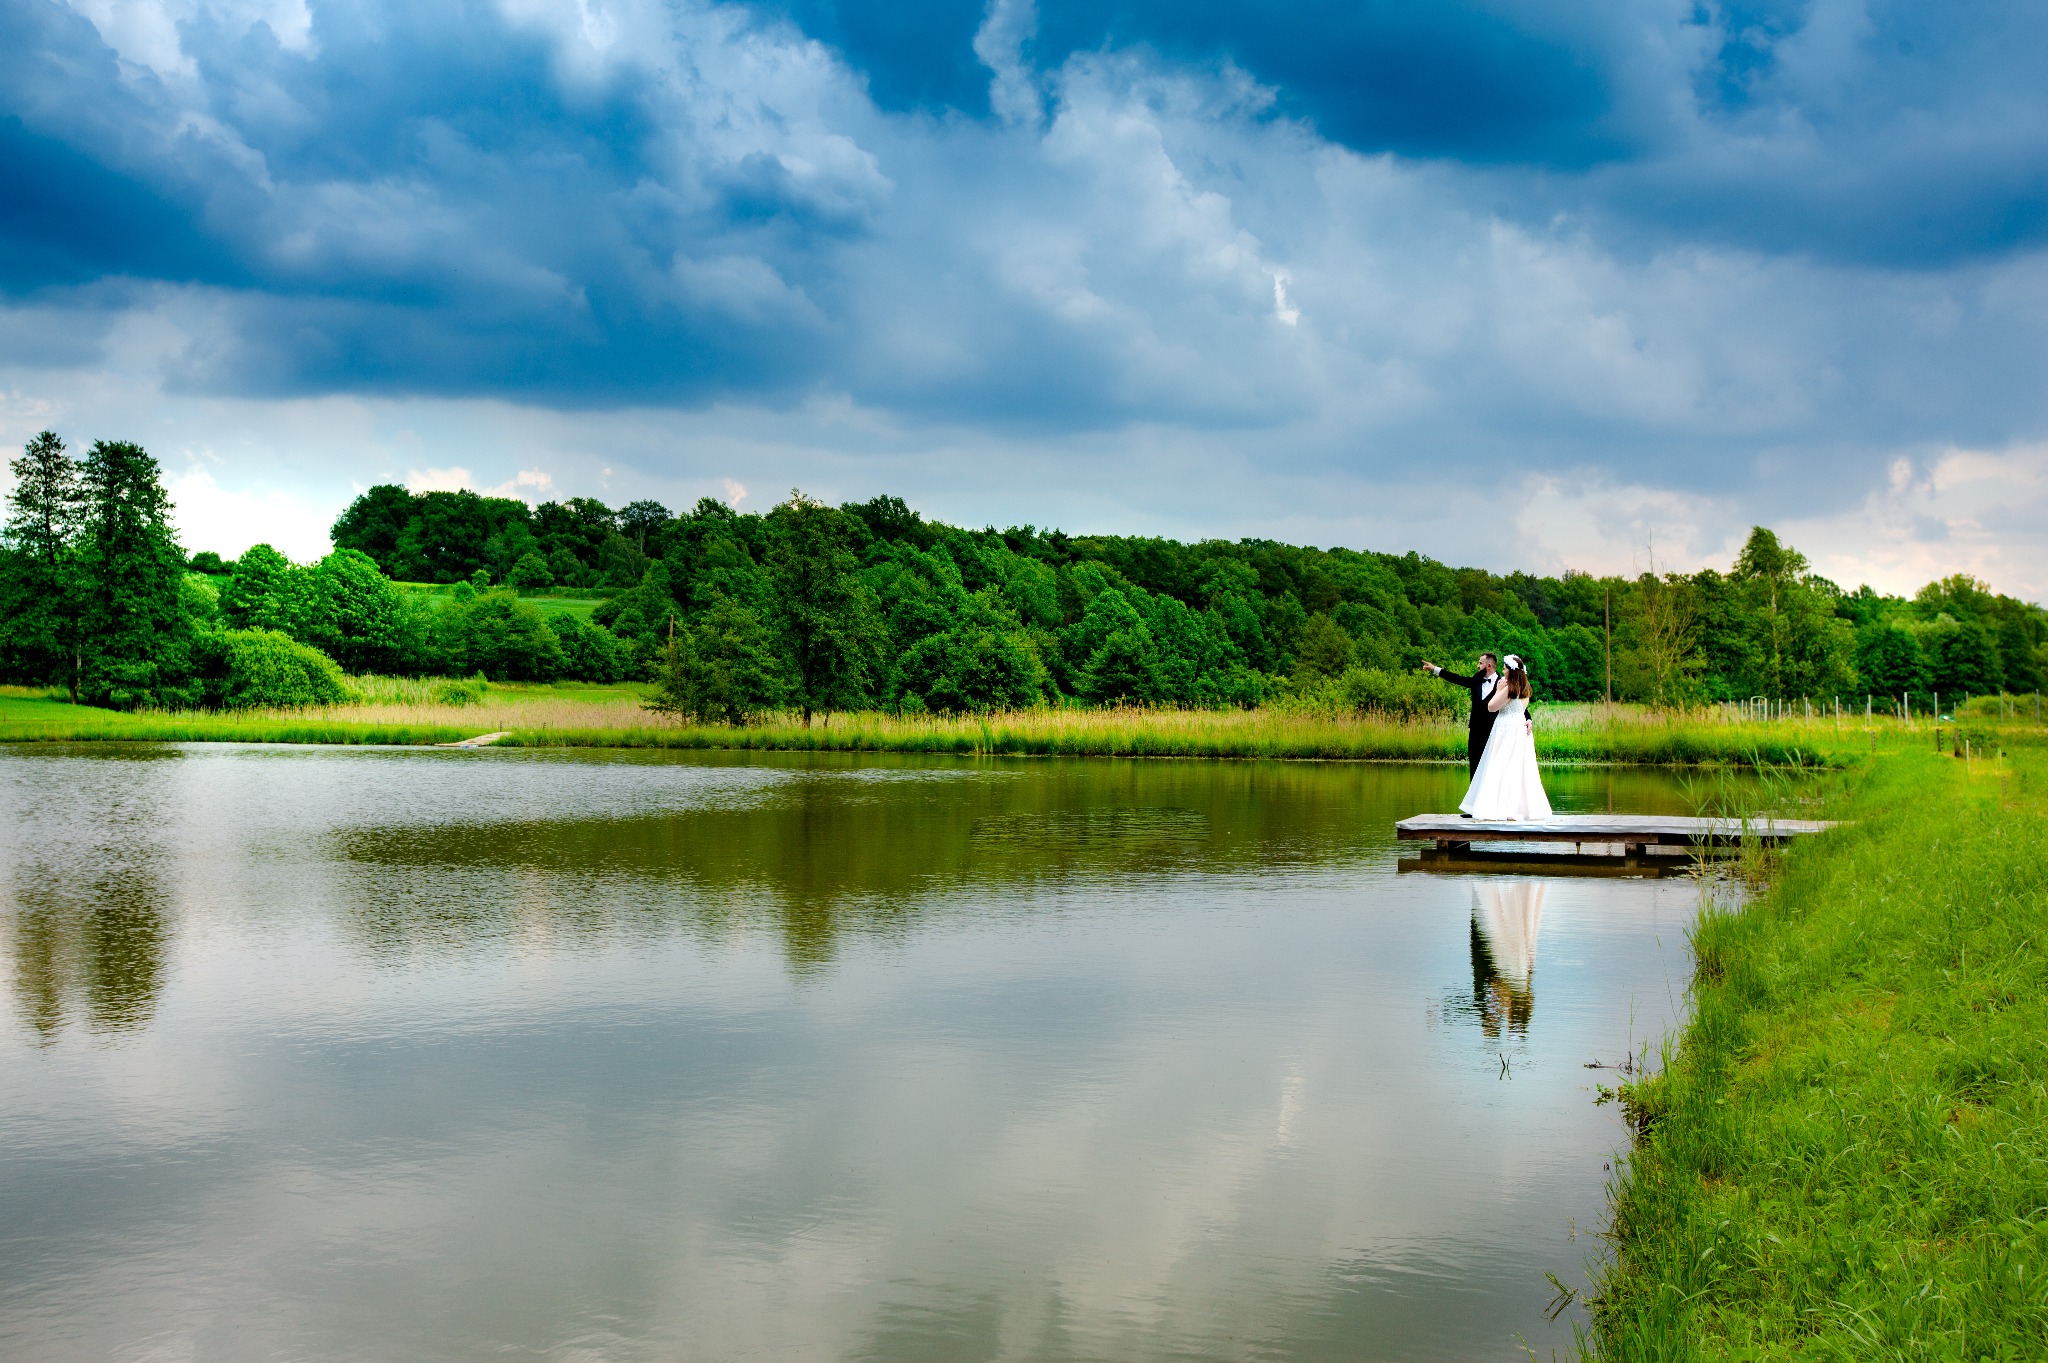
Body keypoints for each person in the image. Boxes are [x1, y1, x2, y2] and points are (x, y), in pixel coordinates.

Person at [1457, 654, 1552, 820]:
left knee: (1498, 767)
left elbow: (1491, 707)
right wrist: (1529, 719)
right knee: (1518, 769)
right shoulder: (1525, 688)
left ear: (1511, 671)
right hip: (1519, 728)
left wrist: (1498, 690)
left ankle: (1496, 808)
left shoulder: (1508, 688)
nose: (1502, 671)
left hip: (1506, 729)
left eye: (1505, 668)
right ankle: (1519, 808)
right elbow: (1521, 709)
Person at [1422, 652, 1501, 777]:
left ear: (1489, 666)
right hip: (1475, 731)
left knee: (1492, 766)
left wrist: (1528, 719)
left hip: (1494, 731)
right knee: (1474, 765)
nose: (1477, 666)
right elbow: (1457, 679)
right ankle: (1474, 795)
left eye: (1480, 663)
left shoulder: (1502, 684)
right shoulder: (1476, 680)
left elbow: (1516, 704)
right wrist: (1435, 669)